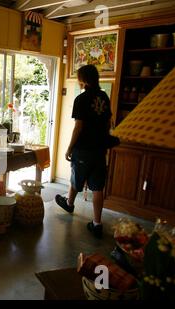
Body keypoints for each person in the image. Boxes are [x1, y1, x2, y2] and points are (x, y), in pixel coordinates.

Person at [55, 64, 112, 239]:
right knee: (97, 187)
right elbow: (108, 122)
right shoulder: (104, 97)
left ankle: (70, 203)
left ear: (84, 80)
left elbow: (78, 127)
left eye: (79, 77)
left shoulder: (81, 99)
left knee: (76, 177)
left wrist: (69, 148)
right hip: (100, 149)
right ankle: (97, 224)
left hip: (84, 149)